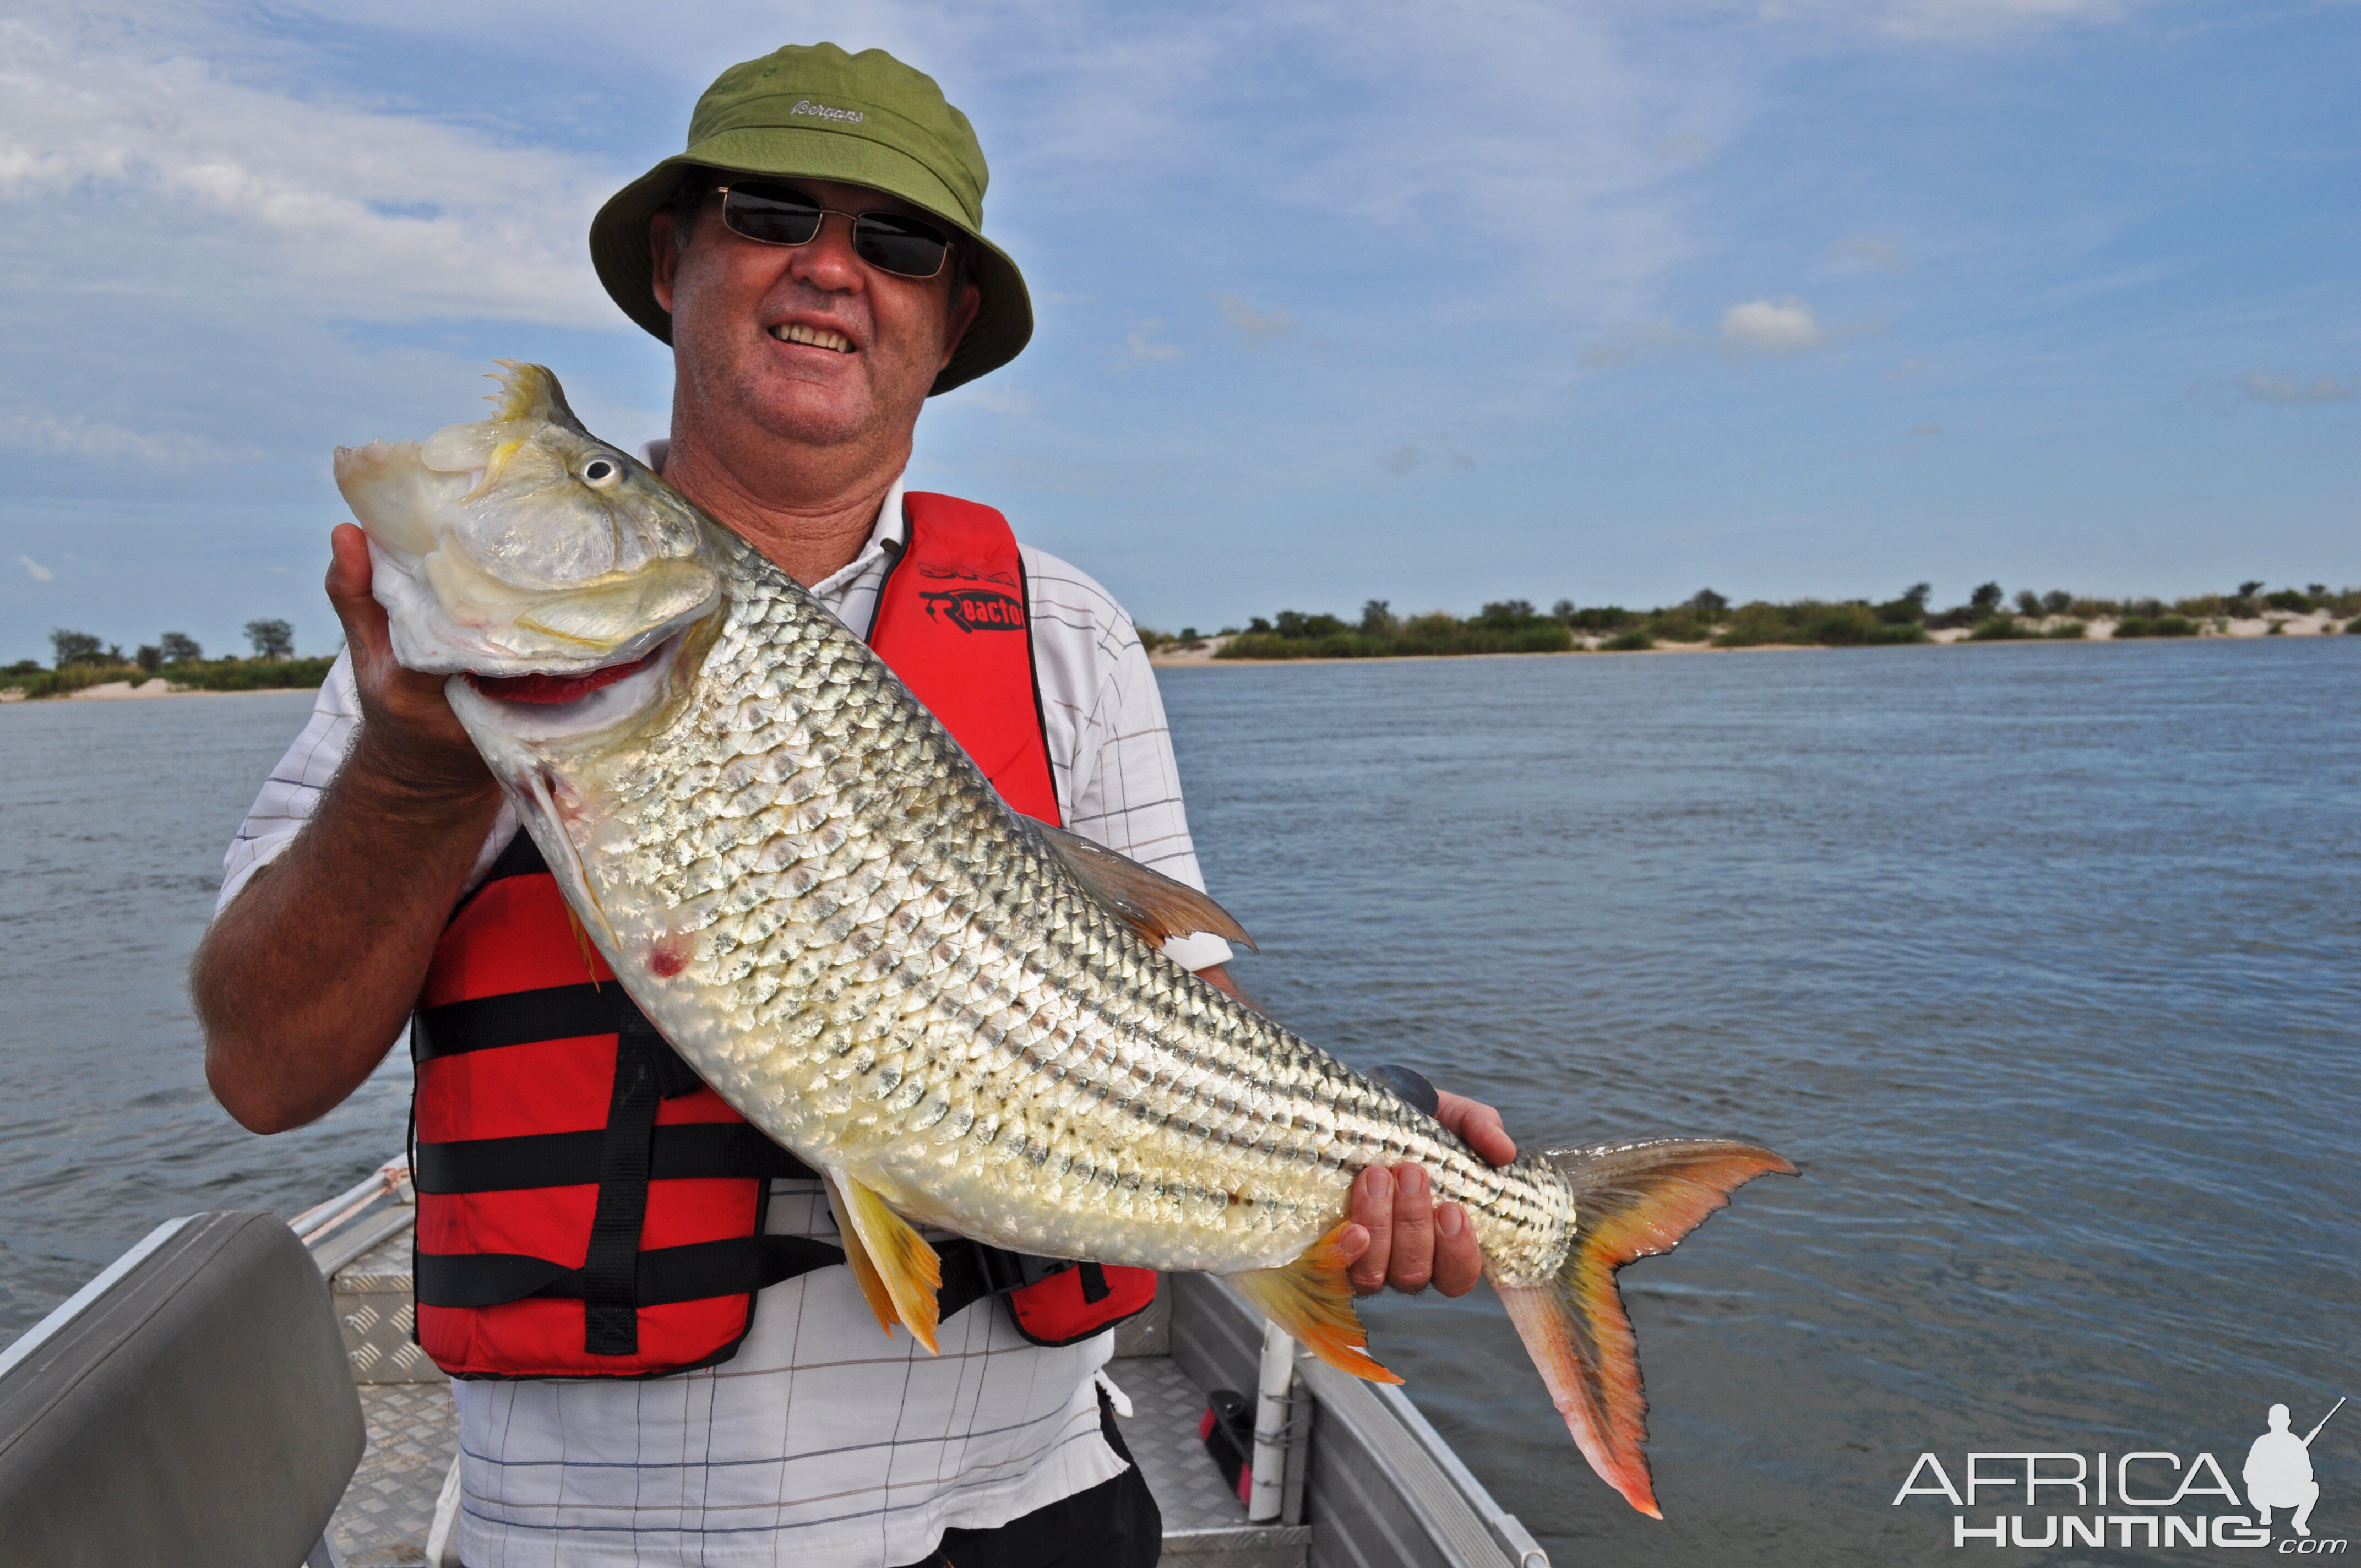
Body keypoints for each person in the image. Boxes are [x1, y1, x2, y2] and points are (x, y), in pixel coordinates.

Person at [194, 42, 1517, 1568]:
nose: (831, 270)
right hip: (592, 1539)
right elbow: (264, 1072)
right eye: (770, 213)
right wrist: (417, 763)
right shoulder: (433, 664)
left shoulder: (1065, 629)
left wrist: (1376, 1146)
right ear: (671, 256)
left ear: (949, 320)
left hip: (1027, 1511)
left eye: (896, 243)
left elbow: (1171, 1037)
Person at [2244, 1403, 2321, 1536]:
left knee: (2313, 1488)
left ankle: (2299, 1521)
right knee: (2252, 1486)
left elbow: (2308, 1475)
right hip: (2265, 1493)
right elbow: (2248, 1474)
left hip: (2288, 1493)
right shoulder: (2262, 1442)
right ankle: (2265, 1512)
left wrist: (2291, 1472)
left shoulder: (2296, 1443)